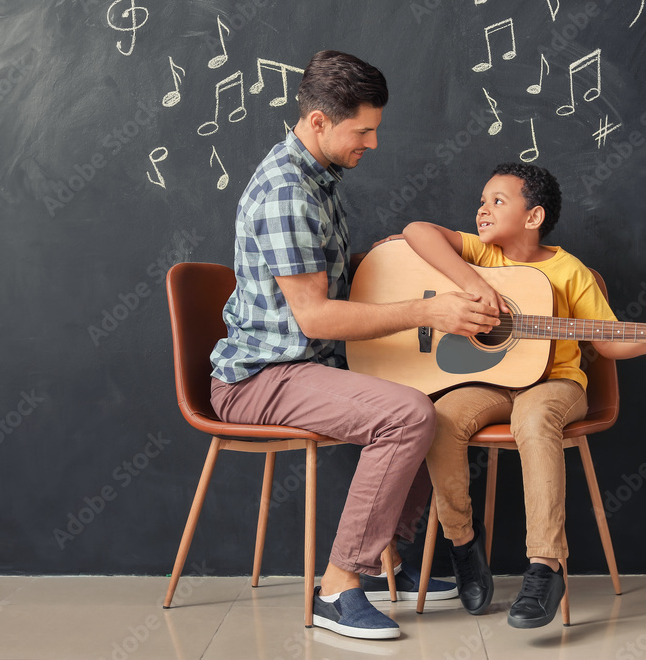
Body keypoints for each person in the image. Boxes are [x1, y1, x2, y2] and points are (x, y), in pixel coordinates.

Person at [209, 50, 499, 640]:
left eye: (375, 128)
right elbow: (314, 317)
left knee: (437, 400)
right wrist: (426, 310)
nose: (372, 142)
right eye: (362, 130)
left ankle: (385, 557)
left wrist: (402, 263)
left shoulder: (320, 179)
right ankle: (339, 588)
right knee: (405, 414)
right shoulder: (289, 191)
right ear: (318, 122)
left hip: (305, 367)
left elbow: (331, 282)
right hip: (261, 378)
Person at [402, 163, 646, 629]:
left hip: (555, 384)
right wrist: (475, 283)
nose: (483, 210)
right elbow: (416, 231)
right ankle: (463, 545)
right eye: (482, 201)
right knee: (438, 417)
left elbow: (606, 341)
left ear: (533, 216)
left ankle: (545, 566)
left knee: (534, 419)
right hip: (494, 383)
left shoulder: (569, 271)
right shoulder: (484, 254)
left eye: (498, 201)